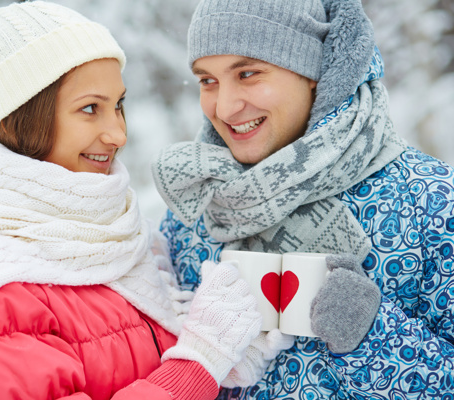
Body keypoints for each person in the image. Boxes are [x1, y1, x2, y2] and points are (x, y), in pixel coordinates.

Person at [0, 2, 295, 399]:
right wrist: (200, 360)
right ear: (22, 118)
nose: (118, 134)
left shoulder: (118, 240)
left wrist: (227, 356)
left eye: (118, 105)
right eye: (90, 109)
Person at [152, 0, 454, 398]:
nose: (224, 107)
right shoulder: (199, 207)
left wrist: (374, 336)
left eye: (247, 73)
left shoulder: (429, 202)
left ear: (315, 72)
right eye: (208, 81)